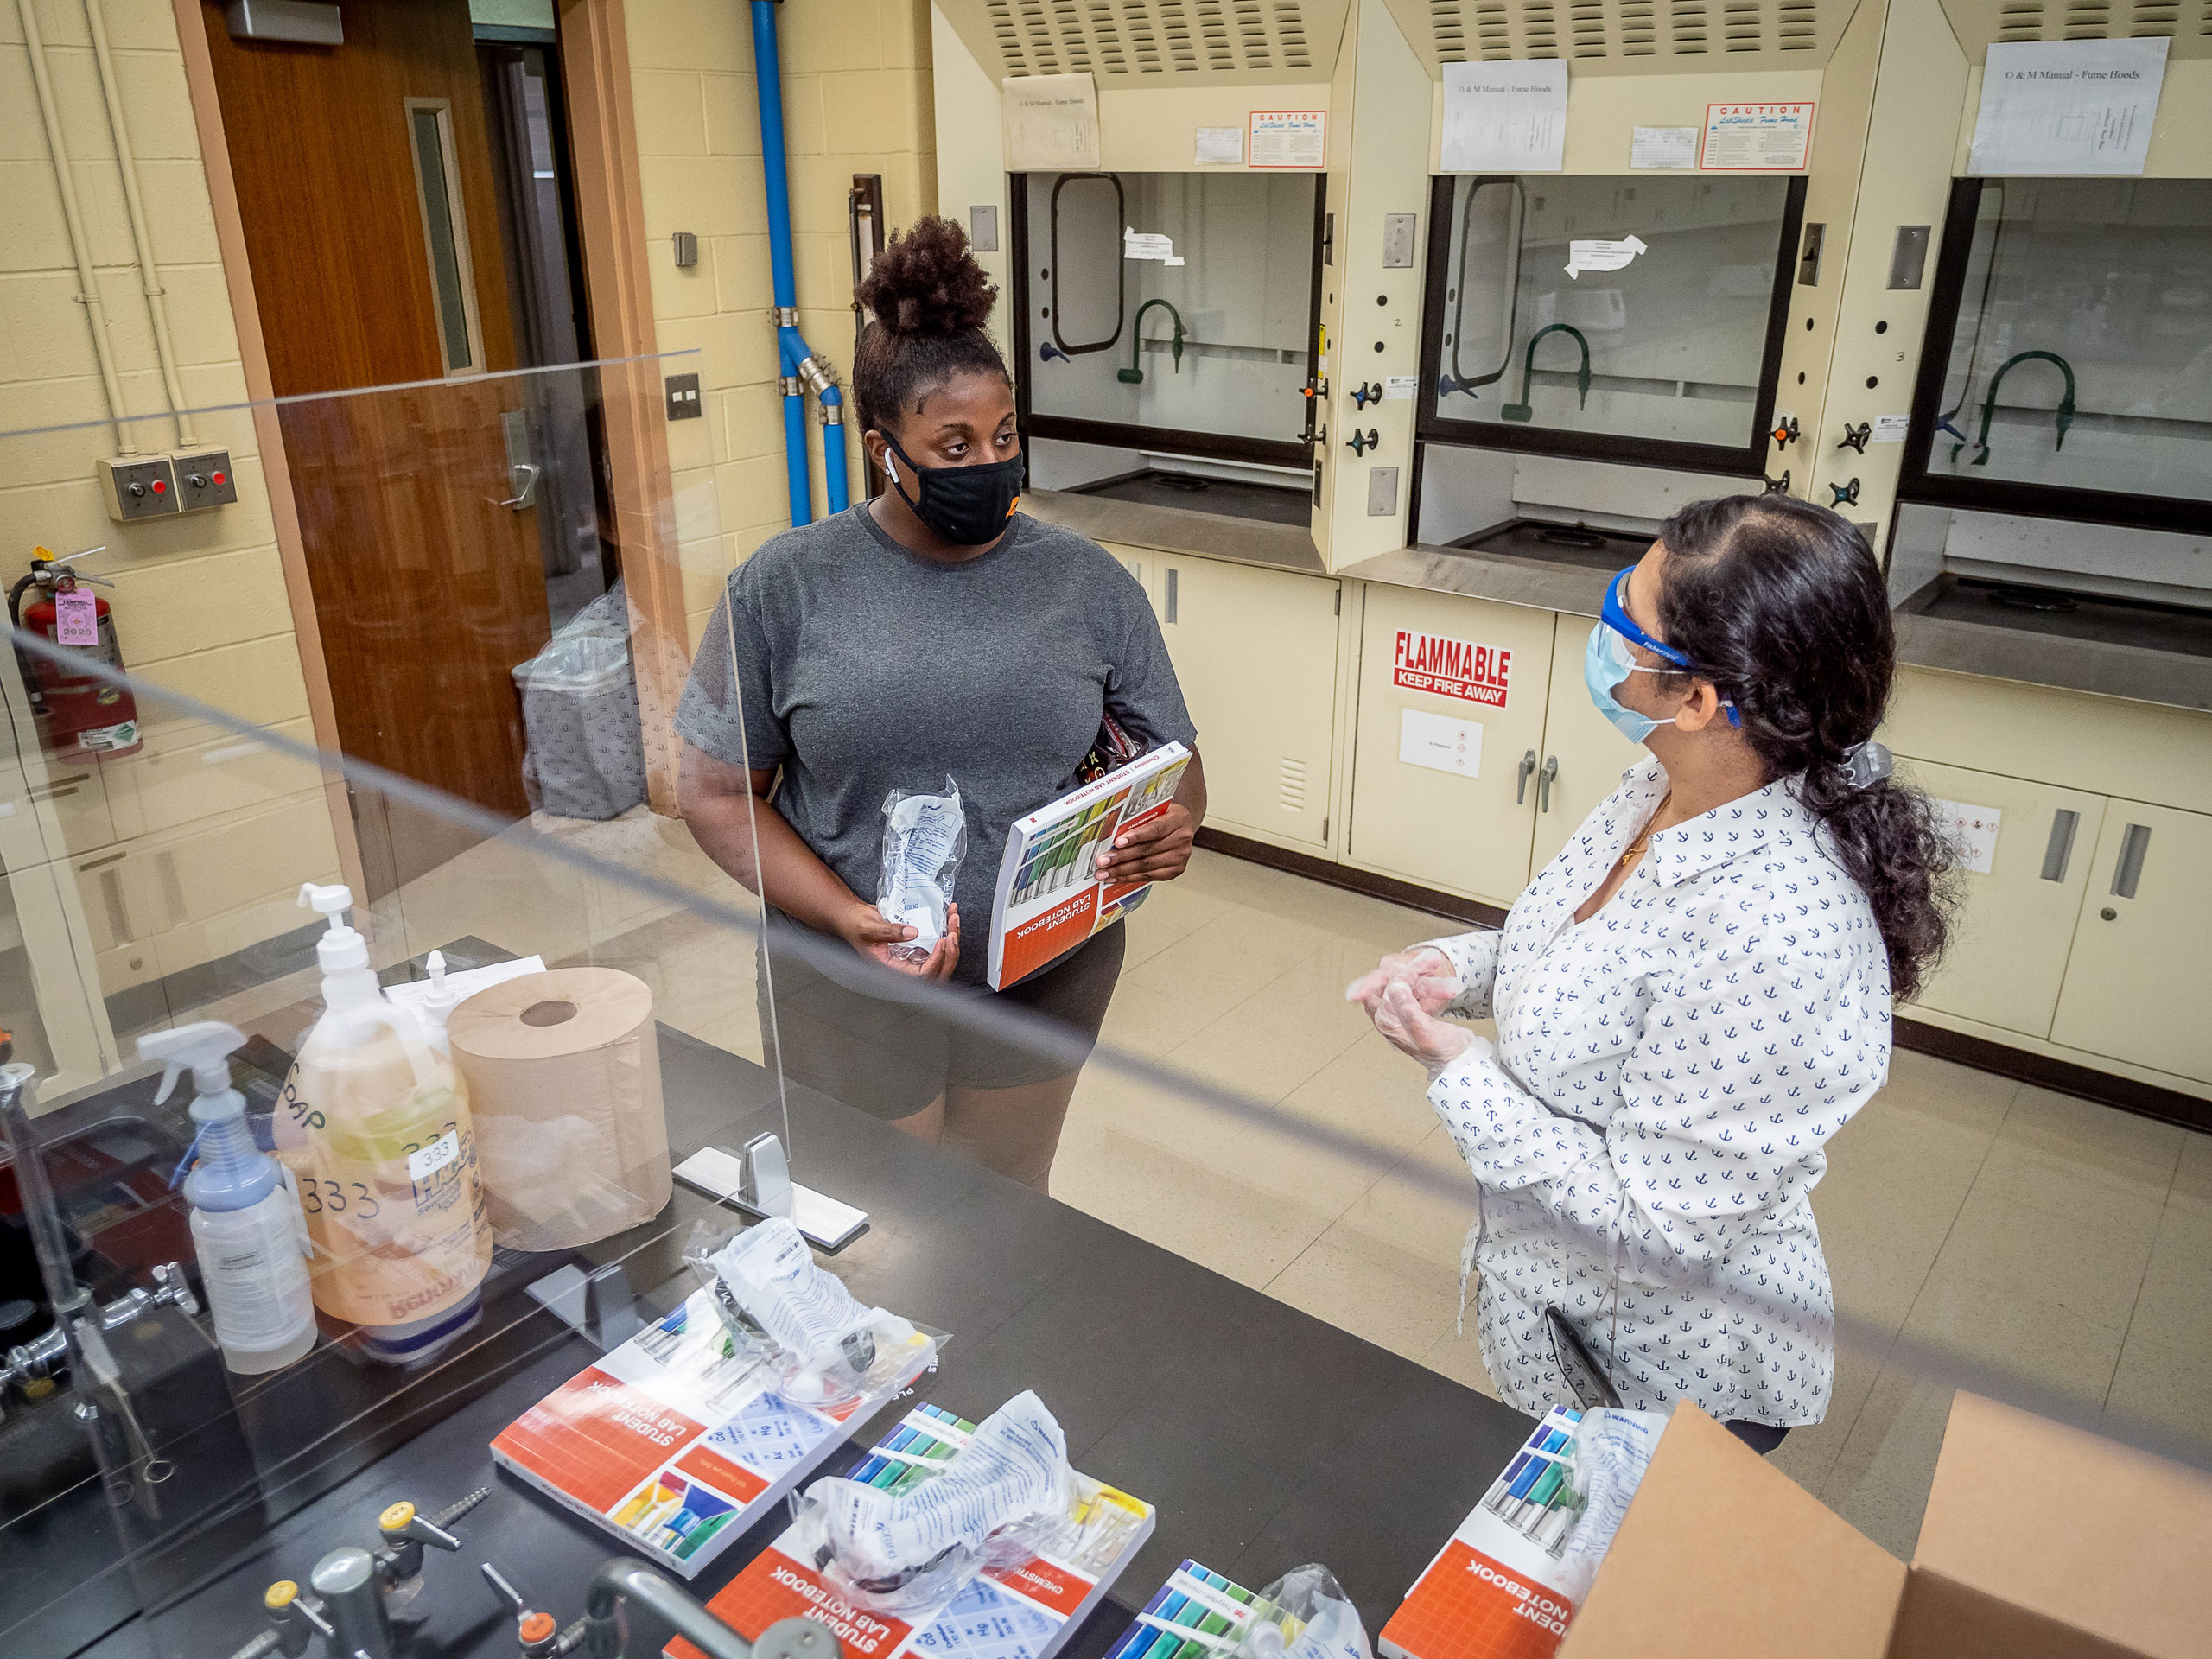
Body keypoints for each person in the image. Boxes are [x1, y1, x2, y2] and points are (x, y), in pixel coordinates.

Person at [1348, 494, 1955, 1450]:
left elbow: (1646, 1232)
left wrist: (1454, 1067)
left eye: (1623, 613)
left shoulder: (1772, 933)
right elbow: (1572, 944)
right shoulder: (1670, 782)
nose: (1602, 626)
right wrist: (1449, 967)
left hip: (1669, 1380)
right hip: (1558, 1319)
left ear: (1701, 697)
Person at [675, 216, 1205, 1192]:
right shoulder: (783, 587)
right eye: (951, 444)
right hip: (845, 978)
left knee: (1002, 1201)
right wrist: (843, 918)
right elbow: (714, 793)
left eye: (1003, 436)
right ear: (884, 450)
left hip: (1044, 969)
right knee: (872, 1214)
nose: (987, 464)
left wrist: (1170, 828)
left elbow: (1170, 761)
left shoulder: (1087, 584)